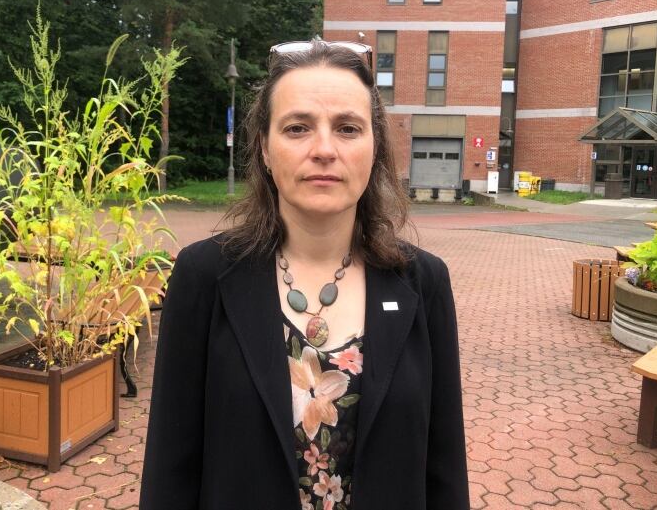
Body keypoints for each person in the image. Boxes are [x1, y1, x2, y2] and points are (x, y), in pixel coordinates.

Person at [139, 40, 469, 510]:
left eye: (348, 128)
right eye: (297, 128)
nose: (324, 149)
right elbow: (171, 471)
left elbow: (444, 469)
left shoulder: (424, 283)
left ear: (374, 149)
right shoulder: (203, 278)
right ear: (265, 150)